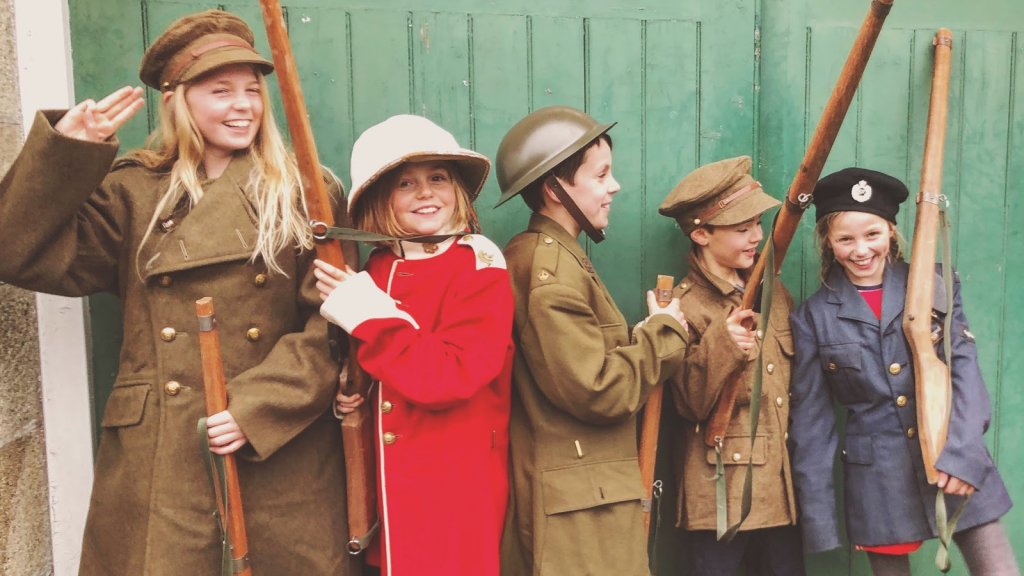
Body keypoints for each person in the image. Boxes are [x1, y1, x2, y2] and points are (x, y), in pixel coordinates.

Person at [0, 10, 359, 574]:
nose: (243, 106)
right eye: (220, 91)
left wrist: (256, 408)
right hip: (163, 448)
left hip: (272, 439)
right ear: (177, 100)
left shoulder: (303, 191)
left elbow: (333, 323)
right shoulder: (132, 191)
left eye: (252, 90)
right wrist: (65, 155)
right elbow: (17, 252)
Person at [788, 167, 1018, 575]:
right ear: (827, 240)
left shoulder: (934, 284)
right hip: (879, 482)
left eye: (872, 234)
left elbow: (964, 373)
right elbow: (812, 424)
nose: (861, 250)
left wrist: (964, 456)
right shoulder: (813, 317)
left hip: (953, 454)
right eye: (845, 239)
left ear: (891, 231)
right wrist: (819, 520)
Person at [315, 114, 514, 576]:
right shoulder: (377, 266)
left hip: (455, 480)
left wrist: (368, 315)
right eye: (406, 183)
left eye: (438, 178)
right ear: (381, 199)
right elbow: (385, 367)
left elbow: (449, 377)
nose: (426, 193)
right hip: (391, 484)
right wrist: (356, 392)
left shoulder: (480, 263)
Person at [494, 105, 689, 576]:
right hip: (578, 509)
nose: (613, 186)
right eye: (600, 175)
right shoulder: (552, 273)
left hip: (583, 497)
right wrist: (664, 334)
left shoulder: (553, 258)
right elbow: (597, 390)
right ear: (554, 189)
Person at [658, 156, 804, 576]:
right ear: (701, 234)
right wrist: (723, 344)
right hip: (720, 494)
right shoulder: (683, 307)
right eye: (742, 229)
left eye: (758, 224)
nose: (757, 236)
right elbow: (689, 404)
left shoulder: (774, 293)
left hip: (778, 490)